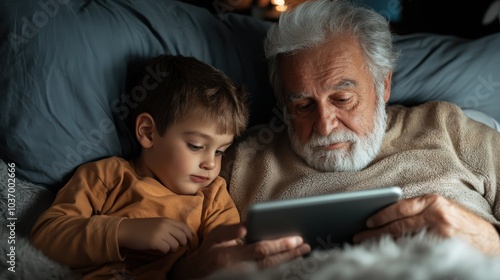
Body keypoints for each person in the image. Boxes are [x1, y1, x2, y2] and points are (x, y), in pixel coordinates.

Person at [223, 0, 500, 256]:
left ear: (384, 85)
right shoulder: (239, 162)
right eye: (303, 105)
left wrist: (486, 239)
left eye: (342, 99)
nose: (324, 125)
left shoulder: (449, 129)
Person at [30, 54, 309, 279]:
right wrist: (123, 231)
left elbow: (230, 255)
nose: (211, 163)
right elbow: (46, 236)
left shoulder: (212, 197)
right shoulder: (106, 176)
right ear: (148, 132)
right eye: (197, 146)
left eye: (221, 151)